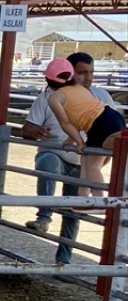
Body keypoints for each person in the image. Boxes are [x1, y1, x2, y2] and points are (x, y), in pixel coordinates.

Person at [41, 57, 124, 206]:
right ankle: (82, 198)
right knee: (86, 159)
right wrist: (71, 141)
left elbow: (66, 123)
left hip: (98, 126)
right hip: (112, 116)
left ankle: (98, 201)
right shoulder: (79, 88)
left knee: (92, 165)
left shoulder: (55, 98)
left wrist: (79, 142)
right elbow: (79, 117)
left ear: (49, 79)